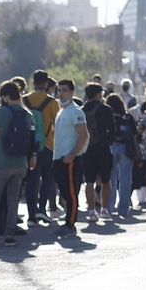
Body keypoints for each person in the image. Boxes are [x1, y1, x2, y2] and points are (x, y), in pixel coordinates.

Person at [0, 79, 36, 246]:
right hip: (21, 164)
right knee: (13, 199)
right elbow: (31, 138)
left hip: (2, 162)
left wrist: (2, 136)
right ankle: (10, 234)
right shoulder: (28, 114)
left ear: (6, 96)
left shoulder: (2, 112)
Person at [51, 78, 88, 235]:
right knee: (65, 192)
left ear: (72, 92)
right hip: (58, 158)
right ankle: (67, 220)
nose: (61, 93)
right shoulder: (61, 111)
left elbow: (83, 135)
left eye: (64, 90)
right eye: (59, 90)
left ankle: (70, 225)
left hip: (70, 159)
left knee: (71, 193)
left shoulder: (76, 111)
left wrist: (72, 155)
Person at [21, 71, 59, 224]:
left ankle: (31, 216)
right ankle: (42, 209)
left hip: (29, 148)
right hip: (48, 146)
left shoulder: (24, 100)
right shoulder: (52, 102)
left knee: (31, 181)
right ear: (46, 84)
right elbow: (57, 124)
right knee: (47, 178)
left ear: (33, 83)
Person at [79, 82, 115, 222]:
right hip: (103, 148)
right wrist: (107, 141)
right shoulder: (106, 109)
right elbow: (112, 130)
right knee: (106, 180)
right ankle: (104, 210)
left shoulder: (81, 110)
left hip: (87, 150)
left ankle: (92, 211)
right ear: (99, 94)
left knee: (89, 181)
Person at [108, 93, 139, 218]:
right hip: (126, 148)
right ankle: (123, 209)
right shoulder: (127, 117)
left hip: (111, 147)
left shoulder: (108, 116)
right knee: (125, 178)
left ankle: (109, 207)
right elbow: (135, 133)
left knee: (111, 179)